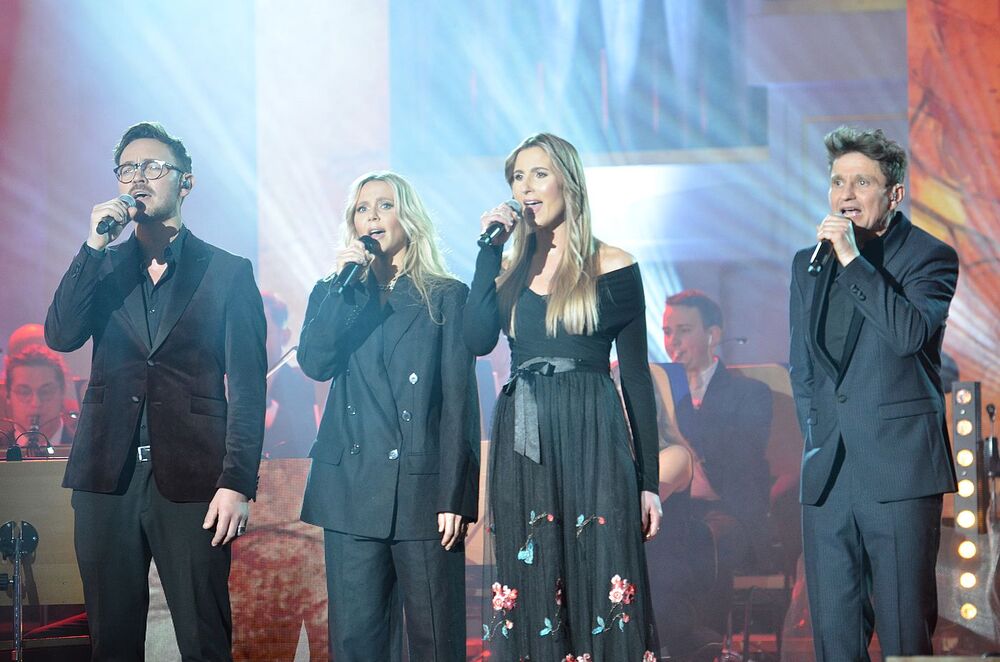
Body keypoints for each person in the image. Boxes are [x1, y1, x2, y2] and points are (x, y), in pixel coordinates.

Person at [44, 121, 267, 660]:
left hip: (194, 484)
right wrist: (94, 243)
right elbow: (61, 334)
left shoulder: (227, 273)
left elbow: (249, 386)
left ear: (185, 183)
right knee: (112, 642)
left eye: (152, 167)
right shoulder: (105, 265)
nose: (137, 178)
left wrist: (236, 482)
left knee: (203, 638)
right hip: (106, 479)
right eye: (127, 169)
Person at [465, 132, 687, 661]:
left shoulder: (614, 265)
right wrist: (487, 251)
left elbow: (635, 381)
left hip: (592, 433)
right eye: (517, 177)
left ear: (568, 180)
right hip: (525, 437)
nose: (526, 187)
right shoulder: (509, 270)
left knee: (601, 577)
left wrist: (648, 484)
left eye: (538, 174)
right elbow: (476, 340)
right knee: (531, 576)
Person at [789, 126, 958, 659]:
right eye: (838, 181)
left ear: (893, 194)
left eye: (862, 182)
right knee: (834, 637)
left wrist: (852, 259)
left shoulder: (929, 258)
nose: (845, 194)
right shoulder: (807, 263)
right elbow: (803, 366)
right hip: (829, 472)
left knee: (905, 631)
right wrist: (816, 434)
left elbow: (908, 335)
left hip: (899, 469)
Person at [297, 171, 480, 661]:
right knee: (357, 643)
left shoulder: (445, 296)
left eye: (383, 206)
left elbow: (459, 403)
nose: (371, 218)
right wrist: (342, 288)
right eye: (361, 209)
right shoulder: (336, 293)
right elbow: (315, 364)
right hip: (352, 488)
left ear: (409, 219)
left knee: (435, 640)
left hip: (423, 491)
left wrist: (455, 494)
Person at [652, 290, 773, 651]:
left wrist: (680, 420)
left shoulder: (750, 392)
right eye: (667, 331)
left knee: (703, 540)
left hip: (727, 510)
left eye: (683, 330)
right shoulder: (658, 392)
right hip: (674, 507)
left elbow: (742, 464)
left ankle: (704, 644)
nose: (673, 342)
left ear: (712, 335)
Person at [261, 291, 317, 459]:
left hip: (289, 479)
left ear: (284, 336)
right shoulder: (223, 385)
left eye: (264, 331)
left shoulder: (305, 385)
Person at [1, 346, 76, 457]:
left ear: (63, 392)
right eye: (24, 392)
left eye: (46, 392)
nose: (36, 403)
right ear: (7, 395)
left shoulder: (88, 447)